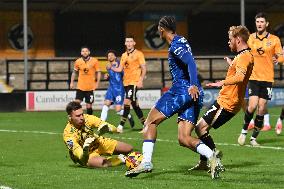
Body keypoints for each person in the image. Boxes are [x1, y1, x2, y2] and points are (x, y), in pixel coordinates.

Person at [125, 16, 222, 179]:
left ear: (162, 29)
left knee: (150, 122)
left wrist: (191, 84)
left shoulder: (175, 45)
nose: (157, 30)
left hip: (182, 90)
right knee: (183, 138)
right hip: (194, 93)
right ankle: (212, 157)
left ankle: (146, 162)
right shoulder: (182, 40)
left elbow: (190, 62)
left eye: (158, 28)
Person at [189, 25, 254, 171]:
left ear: (238, 39)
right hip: (224, 100)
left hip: (228, 103)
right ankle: (204, 162)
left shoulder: (244, 56)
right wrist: (232, 64)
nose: (228, 42)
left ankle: (215, 160)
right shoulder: (243, 55)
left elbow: (240, 77)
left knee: (200, 128)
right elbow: (240, 73)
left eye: (230, 39)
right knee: (200, 128)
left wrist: (221, 82)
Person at [238, 12, 284, 146]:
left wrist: (279, 59)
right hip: (253, 77)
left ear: (267, 24)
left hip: (268, 78)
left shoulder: (275, 40)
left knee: (262, 108)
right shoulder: (250, 38)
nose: (259, 24)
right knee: (251, 106)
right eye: (257, 22)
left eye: (262, 22)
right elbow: (243, 52)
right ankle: (243, 131)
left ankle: (253, 139)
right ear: (255, 23)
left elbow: (281, 56)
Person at [63, 101, 133, 168]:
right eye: (78, 116)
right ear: (70, 117)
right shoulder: (68, 134)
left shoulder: (87, 118)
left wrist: (109, 128)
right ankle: (120, 159)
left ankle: (121, 157)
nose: (81, 118)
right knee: (101, 163)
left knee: (129, 149)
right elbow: (79, 154)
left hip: (98, 142)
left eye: (82, 114)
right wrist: (85, 151)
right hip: (87, 154)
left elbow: (103, 124)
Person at [111, 36, 147, 133]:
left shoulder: (139, 54)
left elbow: (143, 68)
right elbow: (119, 69)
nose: (129, 43)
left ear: (134, 43)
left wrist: (141, 80)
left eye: (131, 41)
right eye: (127, 41)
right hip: (126, 83)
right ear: (125, 43)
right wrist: (111, 68)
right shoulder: (123, 55)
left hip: (134, 82)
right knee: (134, 105)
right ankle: (145, 125)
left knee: (126, 102)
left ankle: (120, 127)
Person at [100, 50, 135, 127]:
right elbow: (111, 76)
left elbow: (124, 75)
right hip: (111, 88)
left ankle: (128, 115)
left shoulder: (120, 64)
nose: (110, 57)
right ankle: (101, 124)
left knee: (118, 110)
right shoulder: (107, 66)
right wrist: (107, 77)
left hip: (119, 89)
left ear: (115, 56)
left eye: (112, 55)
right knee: (106, 104)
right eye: (109, 56)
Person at [70, 46, 101, 115]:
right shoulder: (78, 61)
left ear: (89, 52)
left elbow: (98, 72)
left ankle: (89, 121)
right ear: (81, 53)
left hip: (90, 88)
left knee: (89, 106)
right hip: (80, 86)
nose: (85, 52)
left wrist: (97, 83)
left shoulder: (94, 61)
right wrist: (71, 82)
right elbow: (74, 72)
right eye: (83, 51)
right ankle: (75, 119)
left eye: (86, 51)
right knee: (76, 104)